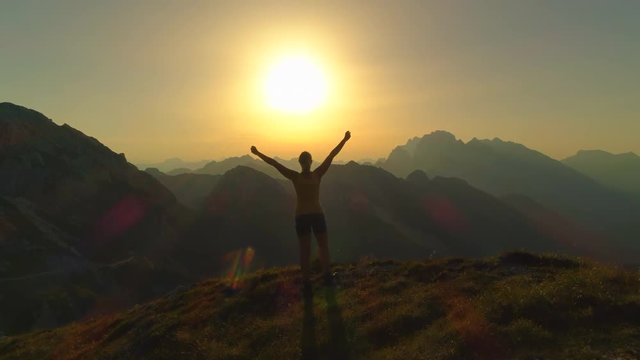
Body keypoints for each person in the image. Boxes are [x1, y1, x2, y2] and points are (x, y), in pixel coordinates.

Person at [251, 131, 351, 287]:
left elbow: (274, 163)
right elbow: (332, 155)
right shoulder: (317, 174)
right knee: (323, 246)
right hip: (317, 214)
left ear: (301, 162)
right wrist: (344, 140)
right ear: (310, 161)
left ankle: (306, 280)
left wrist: (258, 153)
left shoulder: (295, 176)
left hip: (301, 216)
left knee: (305, 250)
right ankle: (326, 275)